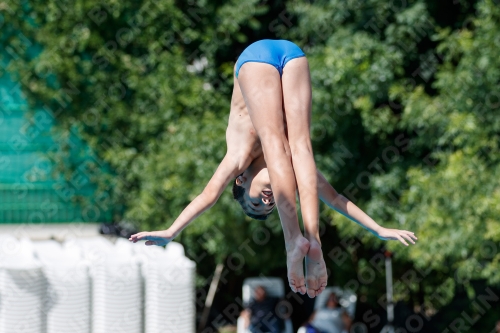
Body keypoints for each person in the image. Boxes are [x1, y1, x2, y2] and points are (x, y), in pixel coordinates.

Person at [129, 40, 418, 298]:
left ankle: (294, 240)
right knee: (301, 146)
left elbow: (208, 196)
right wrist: (378, 229)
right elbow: (335, 199)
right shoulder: (288, 171)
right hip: (293, 55)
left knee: (275, 143)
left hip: (254, 60)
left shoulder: (238, 158)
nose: (267, 201)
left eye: (257, 202)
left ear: (241, 181)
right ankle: (312, 241)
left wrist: (172, 231)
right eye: (269, 207)